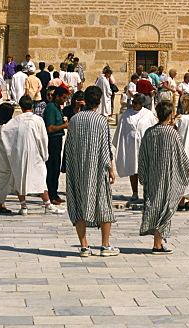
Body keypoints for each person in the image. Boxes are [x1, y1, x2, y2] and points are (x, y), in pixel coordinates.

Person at [138, 99, 189, 253]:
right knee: (166, 207)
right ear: (170, 115)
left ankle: (157, 241)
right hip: (167, 177)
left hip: (152, 176)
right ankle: (157, 244)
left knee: (155, 206)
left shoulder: (150, 132)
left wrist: (143, 176)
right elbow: (181, 155)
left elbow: (142, 156)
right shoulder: (172, 133)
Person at [64, 84, 118, 257]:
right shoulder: (102, 121)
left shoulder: (74, 119)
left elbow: (69, 146)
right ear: (100, 102)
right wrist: (110, 168)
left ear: (85, 101)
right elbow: (106, 148)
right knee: (104, 204)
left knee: (78, 203)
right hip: (97, 169)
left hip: (77, 169)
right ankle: (105, 245)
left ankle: (84, 246)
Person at [2, 94, 63, 215]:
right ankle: (47, 205)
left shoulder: (15, 120)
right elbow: (42, 139)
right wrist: (45, 154)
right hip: (35, 154)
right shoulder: (37, 120)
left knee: (20, 178)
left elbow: (5, 131)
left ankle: (24, 206)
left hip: (19, 153)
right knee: (39, 179)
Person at [113, 92, 157, 200]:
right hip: (131, 146)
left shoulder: (148, 114)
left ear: (142, 104)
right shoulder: (126, 114)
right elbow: (121, 130)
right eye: (133, 102)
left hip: (144, 146)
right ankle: (135, 192)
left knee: (146, 169)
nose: (134, 105)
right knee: (133, 169)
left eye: (136, 103)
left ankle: (147, 192)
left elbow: (154, 129)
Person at [44, 86, 70, 205]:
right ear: (57, 96)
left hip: (58, 140)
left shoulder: (57, 108)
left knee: (56, 167)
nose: (65, 100)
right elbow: (50, 128)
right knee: (52, 167)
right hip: (52, 141)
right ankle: (50, 194)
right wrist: (64, 126)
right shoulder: (50, 108)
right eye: (63, 97)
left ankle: (54, 193)